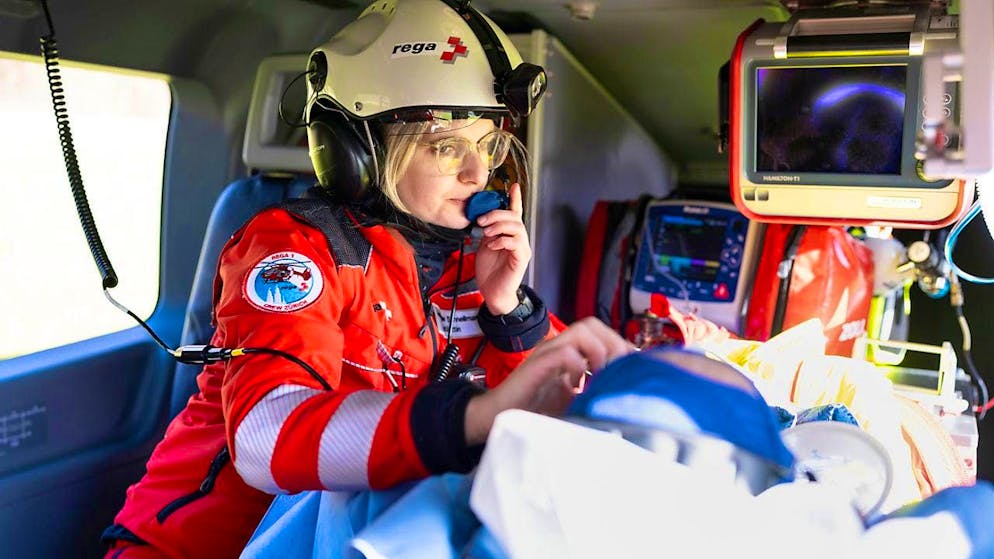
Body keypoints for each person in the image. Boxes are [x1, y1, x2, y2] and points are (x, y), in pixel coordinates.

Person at [101, 1, 628, 556]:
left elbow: (561, 414)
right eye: (446, 145)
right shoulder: (295, 251)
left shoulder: (472, 264)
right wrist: (470, 418)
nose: (479, 174)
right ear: (360, 151)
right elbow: (264, 438)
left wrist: (511, 312)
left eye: (488, 144)